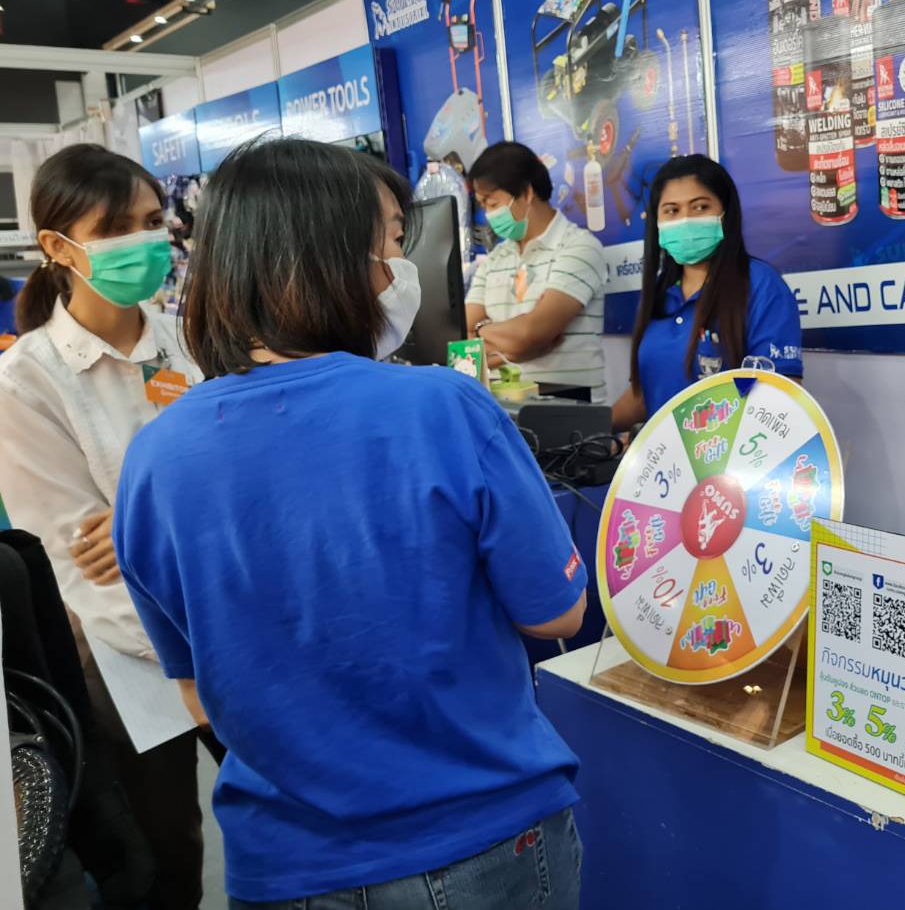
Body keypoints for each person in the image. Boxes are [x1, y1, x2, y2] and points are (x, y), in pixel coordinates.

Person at [112, 138, 587, 908]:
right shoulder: (443, 407)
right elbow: (556, 612)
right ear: (332, 255)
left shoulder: (155, 457)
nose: (401, 266)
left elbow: (199, 691)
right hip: (478, 833)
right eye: (394, 239)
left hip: (286, 861)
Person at [0, 144, 213, 909]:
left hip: (236, 626)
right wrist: (185, 519)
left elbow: (243, 492)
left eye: (152, 221)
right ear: (58, 247)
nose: (144, 241)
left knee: (289, 811)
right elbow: (74, 553)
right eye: (116, 228)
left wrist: (136, 524)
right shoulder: (26, 380)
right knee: (167, 857)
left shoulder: (198, 339)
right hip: (126, 656)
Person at [614, 155, 802, 432]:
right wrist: (583, 431)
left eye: (700, 207)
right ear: (657, 221)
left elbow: (779, 397)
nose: (685, 220)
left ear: (725, 212)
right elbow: (644, 396)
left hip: (731, 455)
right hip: (663, 457)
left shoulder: (761, 285)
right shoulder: (657, 293)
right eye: (671, 211)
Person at [464, 141, 608, 401]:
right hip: (502, 411)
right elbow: (463, 341)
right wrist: (516, 349)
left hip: (571, 413)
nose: (488, 215)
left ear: (526, 193)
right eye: (483, 206)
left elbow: (532, 333)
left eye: (492, 204)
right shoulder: (494, 259)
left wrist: (483, 329)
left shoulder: (579, 247)